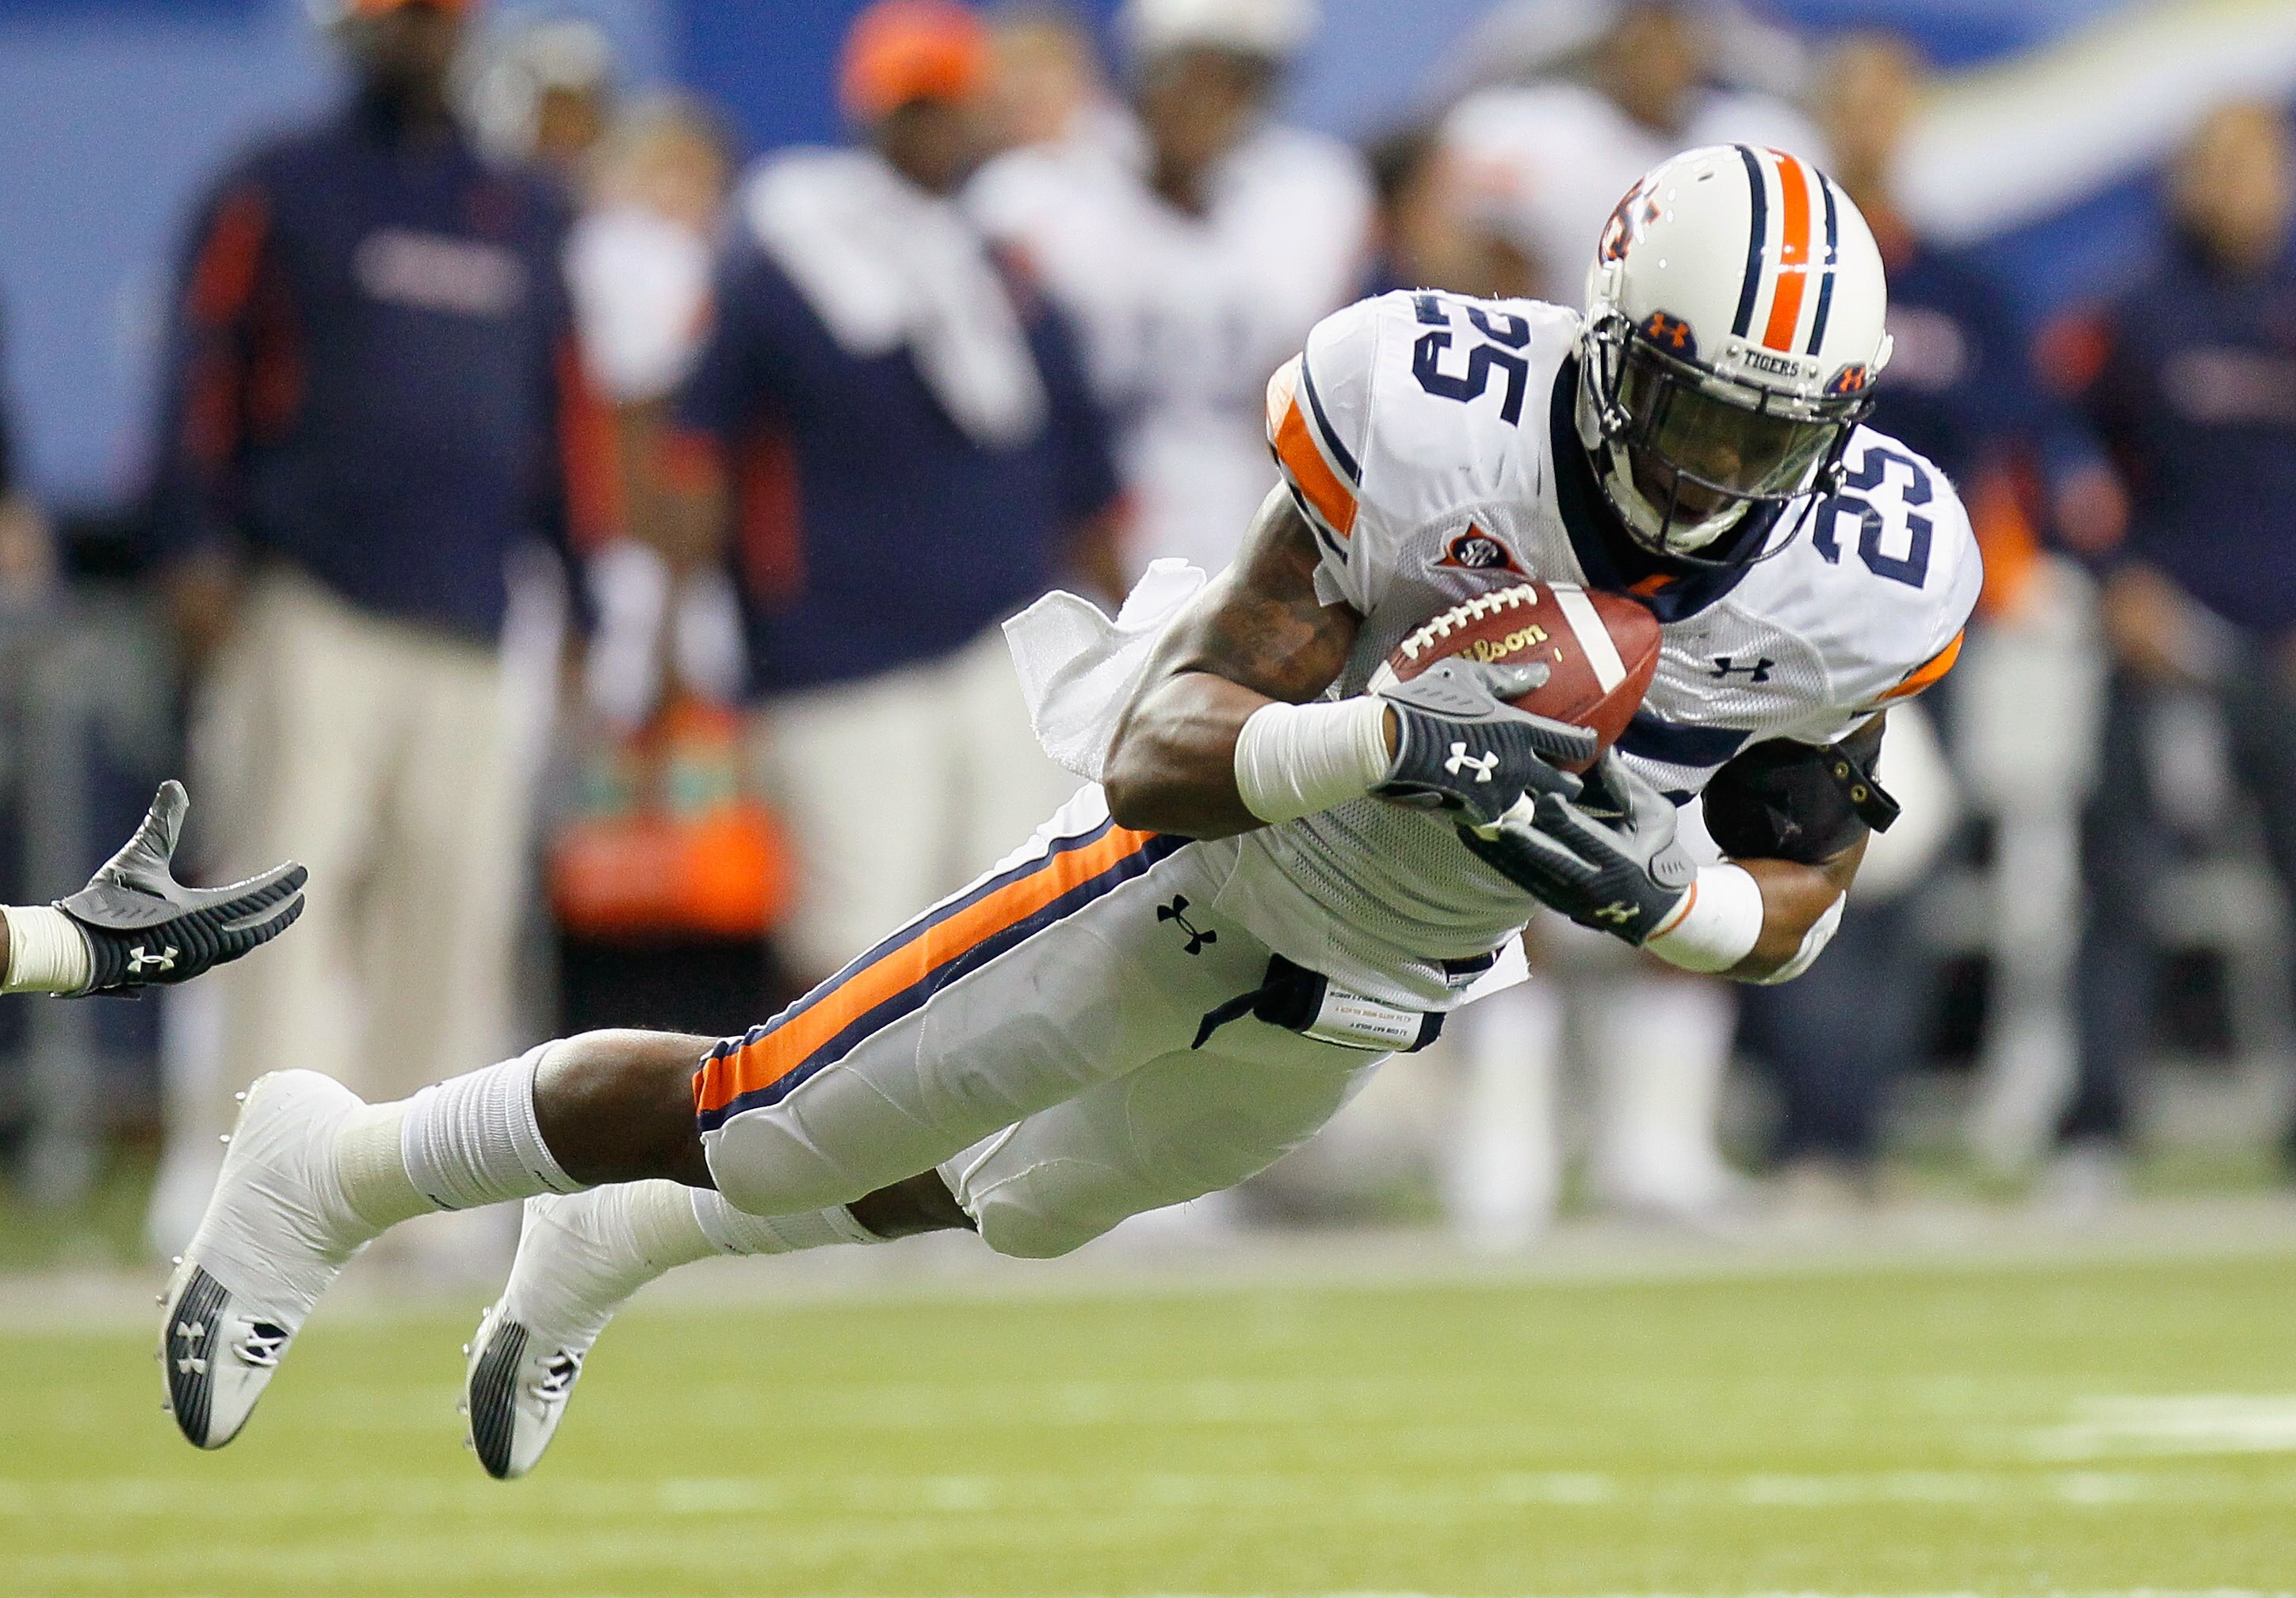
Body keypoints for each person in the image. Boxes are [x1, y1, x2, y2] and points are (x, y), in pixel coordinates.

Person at [160, 146, 1978, 1482]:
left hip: (1391, 975)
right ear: (1603, 344)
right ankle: (332, 1162)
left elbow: (1800, 871)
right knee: (768, 1116)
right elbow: (1160, 754)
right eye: (1683, 413)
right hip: (1212, 869)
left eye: (1760, 435)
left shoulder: (1867, 571)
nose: (1707, 474)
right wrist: (1387, 746)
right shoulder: (1429, 409)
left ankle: (618, 1236)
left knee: (1019, 1203)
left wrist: (1664, 910)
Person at [143, 0, 610, 1253]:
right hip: (314, 600)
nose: (423, 35)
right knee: (278, 899)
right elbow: (201, 368)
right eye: (400, 15)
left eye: (441, 15)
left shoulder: (518, 206)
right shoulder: (278, 183)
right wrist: (193, 545)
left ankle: (415, 1194)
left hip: (472, 611)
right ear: (351, 29)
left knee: (452, 915)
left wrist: (582, 594)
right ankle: (256, 1179)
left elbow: (560, 411)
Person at [650, 0, 1125, 990]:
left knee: (1016, 915)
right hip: (834, 648)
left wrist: (1122, 635)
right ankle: (835, 1146)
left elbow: (1081, 469)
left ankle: (984, 1148)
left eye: (951, 104)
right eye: (914, 106)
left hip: (1004, 639)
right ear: (869, 113)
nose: (935, 129)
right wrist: (675, 622)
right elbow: (697, 449)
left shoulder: (1001, 270)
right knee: (855, 938)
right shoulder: (785, 255)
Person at [2060, 100, 2296, 1183]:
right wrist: (2119, 583)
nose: (2232, 186)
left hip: (2286, 645)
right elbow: (2062, 462)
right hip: (2165, 638)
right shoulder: (2135, 314)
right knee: (2119, 886)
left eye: (2250, 165)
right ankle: (2096, 1126)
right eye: (2211, 165)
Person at [968, 0, 1372, 577]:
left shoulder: (1312, 194)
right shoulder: (1039, 198)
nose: (1206, 99)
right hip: (1082, 532)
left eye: (1234, 77)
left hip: (1255, 521)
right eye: (1189, 70)